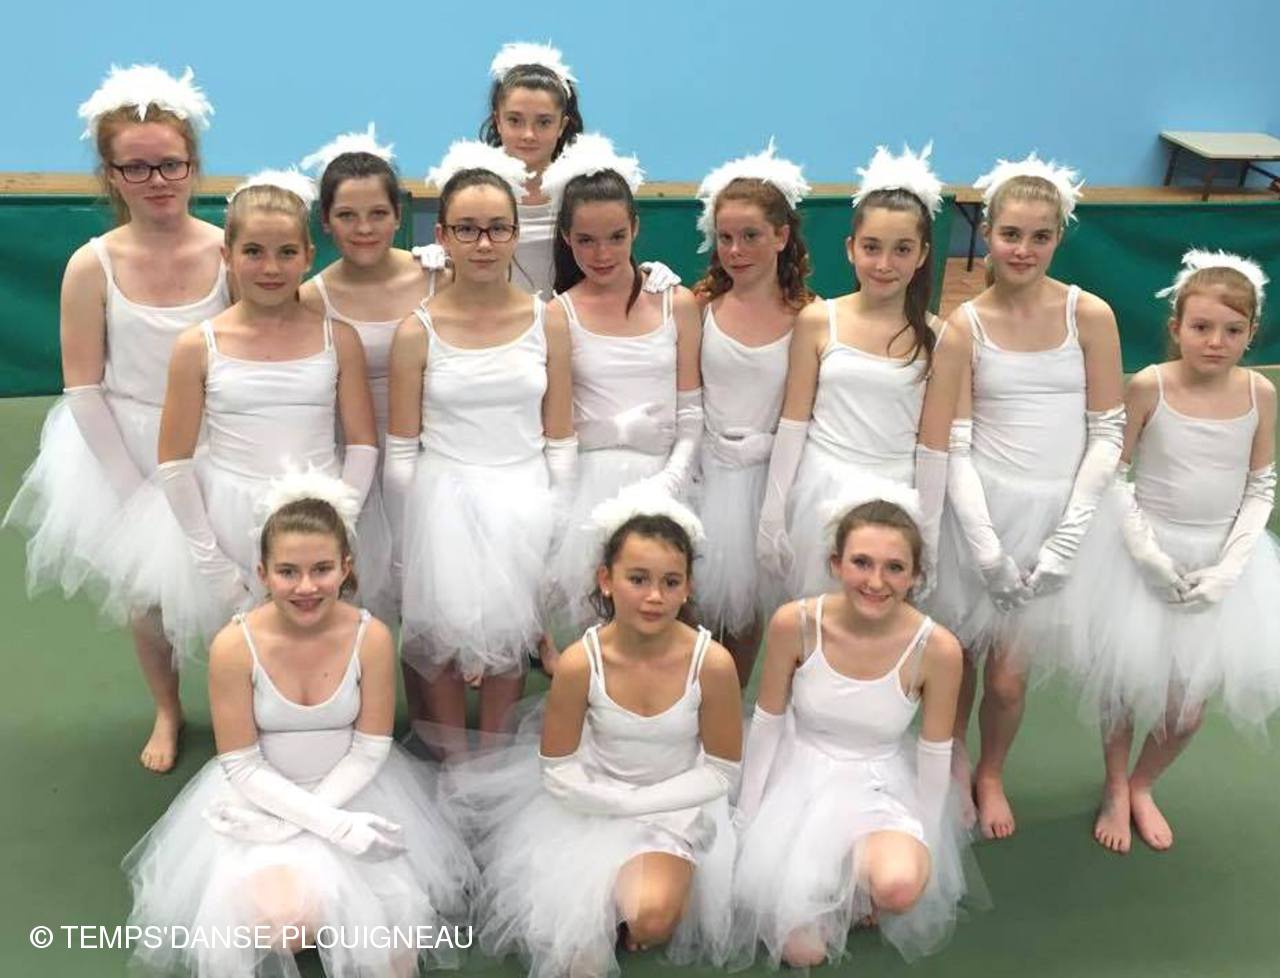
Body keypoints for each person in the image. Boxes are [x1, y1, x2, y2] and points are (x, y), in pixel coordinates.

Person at [123, 475, 475, 978]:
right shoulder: (234, 646)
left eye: (321, 569)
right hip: (260, 798)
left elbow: (369, 749)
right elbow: (242, 765)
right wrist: (325, 827)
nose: (306, 587)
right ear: (263, 573)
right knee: (283, 927)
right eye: (288, 571)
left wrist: (302, 825)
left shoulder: (372, 637)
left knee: (393, 937)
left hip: (356, 791)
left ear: (346, 568)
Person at [4, 64, 226, 772]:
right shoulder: (90, 265)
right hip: (125, 443)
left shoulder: (229, 251)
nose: (157, 180)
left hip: (218, 439)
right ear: (110, 175)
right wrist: (135, 489)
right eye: (136, 168)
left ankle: (246, 702)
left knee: (237, 575)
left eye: (170, 164)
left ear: (193, 165)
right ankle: (168, 707)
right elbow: (83, 387)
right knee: (148, 594)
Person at [450, 487, 742, 978]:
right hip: (591, 799)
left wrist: (638, 804)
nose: (654, 596)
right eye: (638, 579)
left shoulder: (711, 663)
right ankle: (609, 904)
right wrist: (612, 802)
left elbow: (721, 771)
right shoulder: (579, 662)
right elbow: (558, 770)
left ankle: (641, 897)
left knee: (651, 918)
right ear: (606, 580)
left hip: (676, 807)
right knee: (574, 944)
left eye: (670, 582)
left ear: (687, 588)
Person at [930, 154, 1125, 839]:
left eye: (1039, 237)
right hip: (979, 510)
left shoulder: (1089, 315)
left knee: (1008, 679)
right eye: (1010, 234)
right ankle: (953, 759)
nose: (1023, 249)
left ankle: (992, 770)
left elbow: (1108, 431)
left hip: (1058, 515)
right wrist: (984, 545)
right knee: (957, 657)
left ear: (1058, 238)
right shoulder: (965, 323)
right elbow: (955, 440)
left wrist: (1068, 536)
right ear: (986, 233)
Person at [103, 170, 378, 657]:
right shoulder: (197, 345)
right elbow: (174, 462)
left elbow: (361, 443)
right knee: (243, 652)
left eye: (286, 252)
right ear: (227, 256)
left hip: (320, 511)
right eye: (253, 252)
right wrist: (213, 564)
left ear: (308, 256)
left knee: (319, 650)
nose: (270, 267)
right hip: (229, 519)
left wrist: (338, 521)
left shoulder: (339, 339)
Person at [1066, 251, 1280, 853]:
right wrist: (1146, 554)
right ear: (1176, 327)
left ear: (1251, 333)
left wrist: (1230, 567)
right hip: (1143, 556)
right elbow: (1113, 474)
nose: (1215, 342)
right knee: (1123, 683)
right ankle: (1115, 784)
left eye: (1232, 331)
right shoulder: (1149, 386)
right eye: (1202, 327)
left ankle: (1143, 783)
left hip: (1221, 563)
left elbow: (1260, 486)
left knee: (1186, 710)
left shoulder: (1260, 393)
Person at [383, 140, 575, 755]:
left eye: (497, 228)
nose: (484, 243)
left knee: (508, 637)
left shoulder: (548, 319)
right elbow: (402, 451)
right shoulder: (417, 330)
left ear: (517, 234)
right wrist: (404, 543)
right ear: (442, 236)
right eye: (467, 229)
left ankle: (492, 756)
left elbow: (560, 435)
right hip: (443, 497)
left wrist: (557, 523)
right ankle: (454, 760)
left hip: (523, 495)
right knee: (439, 639)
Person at [733, 491, 976, 969]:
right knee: (803, 953)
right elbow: (767, 722)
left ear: (916, 575)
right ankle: (833, 886)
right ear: (836, 563)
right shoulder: (795, 622)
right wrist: (747, 817)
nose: (876, 582)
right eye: (862, 563)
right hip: (797, 775)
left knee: (900, 885)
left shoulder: (938, 649)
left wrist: (927, 839)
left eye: (894, 568)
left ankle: (854, 879)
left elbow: (934, 752)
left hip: (879, 784)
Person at [757, 144, 965, 604]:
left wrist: (927, 539)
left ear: (923, 254)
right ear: (851, 249)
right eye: (872, 247)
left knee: (875, 620)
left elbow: (933, 448)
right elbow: (793, 424)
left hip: (894, 497)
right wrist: (773, 512)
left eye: (902, 250)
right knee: (815, 617)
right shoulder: (819, 320)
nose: (884, 264)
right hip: (820, 489)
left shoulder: (942, 340)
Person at [541, 133, 704, 639]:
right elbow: (559, 427)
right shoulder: (559, 314)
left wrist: (669, 482)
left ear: (635, 227)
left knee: (661, 622)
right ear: (566, 238)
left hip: (666, 478)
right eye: (586, 240)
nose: (602, 253)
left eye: (615, 236)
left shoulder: (676, 302)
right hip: (590, 482)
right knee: (597, 628)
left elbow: (691, 412)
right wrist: (562, 505)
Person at [690, 141, 816, 685]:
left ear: (782, 237)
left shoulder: (809, 317)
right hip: (704, 475)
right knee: (688, 605)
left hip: (767, 482)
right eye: (725, 238)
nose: (736, 250)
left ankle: (728, 706)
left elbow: (807, 409)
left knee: (745, 612)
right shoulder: (701, 306)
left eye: (750, 236)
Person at [297, 124, 431, 626]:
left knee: (429, 592)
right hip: (353, 460)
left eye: (377, 213)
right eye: (347, 216)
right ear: (325, 222)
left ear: (399, 215)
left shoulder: (439, 277)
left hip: (429, 456)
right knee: (361, 598)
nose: (364, 228)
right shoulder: (310, 298)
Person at [417, 42, 678, 298]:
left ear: (562, 125)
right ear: (497, 120)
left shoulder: (585, 188)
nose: (528, 135)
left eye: (543, 122)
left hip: (570, 319)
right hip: (492, 318)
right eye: (515, 120)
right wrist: (440, 256)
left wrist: (642, 275)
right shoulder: (471, 190)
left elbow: (608, 249)